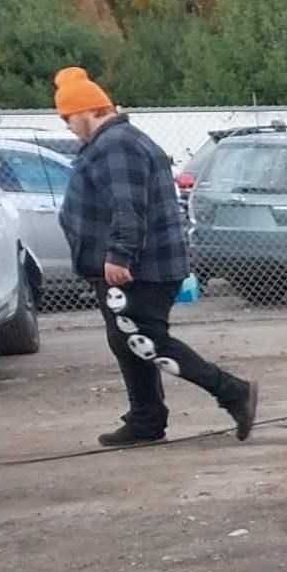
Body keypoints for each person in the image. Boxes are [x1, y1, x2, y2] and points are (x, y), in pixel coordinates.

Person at [53, 67, 258, 448]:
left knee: (143, 339)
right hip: (138, 266)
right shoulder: (118, 142)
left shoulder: (116, 145)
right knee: (127, 338)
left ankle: (233, 392)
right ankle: (146, 419)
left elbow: (128, 207)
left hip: (137, 268)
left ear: (88, 110)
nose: (67, 125)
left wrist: (119, 255)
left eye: (68, 116)